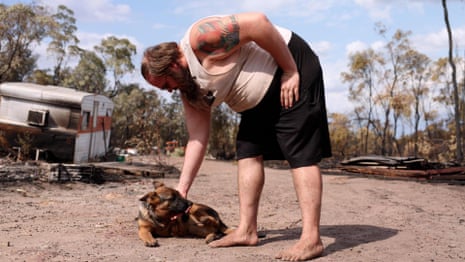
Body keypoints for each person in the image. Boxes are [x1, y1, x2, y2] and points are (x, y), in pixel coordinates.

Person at [141, 12, 332, 261]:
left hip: (292, 66)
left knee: (300, 153)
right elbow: (197, 138)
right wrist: (182, 191)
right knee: (247, 151)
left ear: (173, 65)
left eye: (165, 84)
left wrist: (289, 70)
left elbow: (258, 23)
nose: (168, 91)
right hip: (256, 99)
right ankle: (246, 230)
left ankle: (311, 239)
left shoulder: (201, 39)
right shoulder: (190, 91)